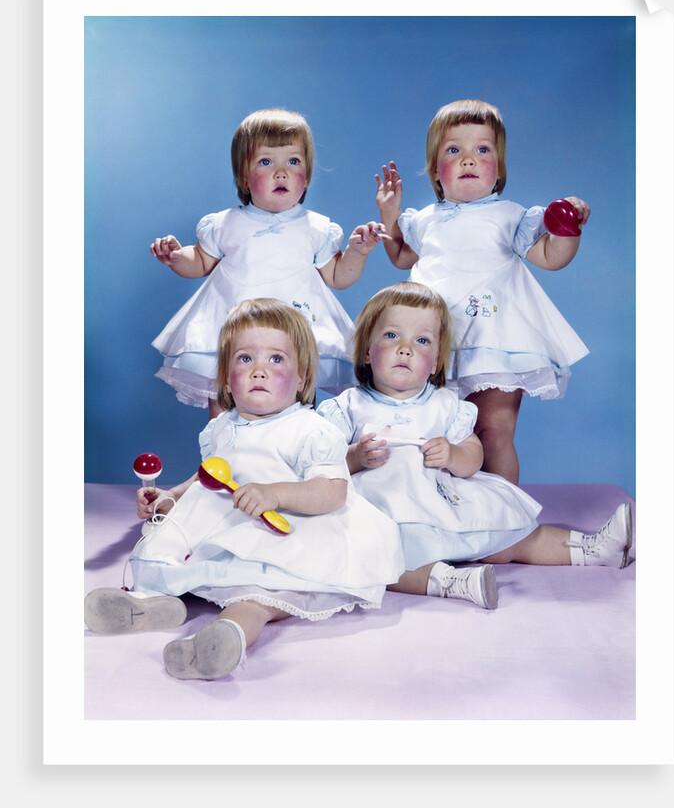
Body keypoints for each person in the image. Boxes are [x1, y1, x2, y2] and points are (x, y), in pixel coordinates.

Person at [84, 298, 406, 681]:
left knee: (255, 595)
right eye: (244, 359)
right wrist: (168, 498)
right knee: (171, 560)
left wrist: (276, 494)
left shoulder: (310, 430)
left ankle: (229, 635)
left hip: (285, 531)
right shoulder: (222, 428)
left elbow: (332, 490)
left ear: (302, 378)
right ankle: (152, 606)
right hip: (221, 525)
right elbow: (204, 480)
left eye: (275, 360)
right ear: (225, 377)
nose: (258, 371)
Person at [317, 283, 632, 611]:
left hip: (441, 503)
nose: (405, 349)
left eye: (421, 340)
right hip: (382, 514)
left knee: (510, 538)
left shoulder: (446, 405)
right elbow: (323, 464)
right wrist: (354, 456)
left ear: (437, 362)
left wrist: (453, 455)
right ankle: (450, 582)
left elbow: (473, 456)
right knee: (377, 558)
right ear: (367, 350)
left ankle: (591, 548)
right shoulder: (347, 407)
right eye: (392, 336)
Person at [375, 99, 590, 484]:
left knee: (493, 432)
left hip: (495, 340)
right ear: (436, 172)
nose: (468, 160)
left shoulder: (510, 215)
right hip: (436, 342)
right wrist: (390, 216)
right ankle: (456, 512)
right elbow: (400, 257)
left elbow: (550, 257)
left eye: (482, 150)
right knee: (443, 434)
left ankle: (507, 521)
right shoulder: (423, 220)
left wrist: (566, 227)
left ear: (499, 168)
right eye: (454, 150)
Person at [151, 107, 382, 418]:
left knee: (299, 403)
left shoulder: (316, 228)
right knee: (225, 398)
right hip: (234, 328)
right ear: (244, 178)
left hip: (295, 330)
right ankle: (222, 458)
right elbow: (201, 261)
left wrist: (357, 252)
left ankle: (298, 457)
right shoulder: (226, 223)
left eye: (293, 161)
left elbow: (338, 276)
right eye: (265, 162)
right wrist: (177, 257)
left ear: (308, 176)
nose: (281, 172)